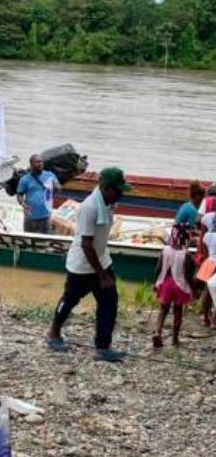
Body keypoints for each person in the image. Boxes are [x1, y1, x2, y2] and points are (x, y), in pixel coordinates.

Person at [46, 167, 131, 362]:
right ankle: (53, 333)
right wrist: (102, 275)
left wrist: (103, 270)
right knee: (70, 300)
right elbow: (86, 244)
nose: (121, 194)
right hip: (82, 265)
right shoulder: (90, 207)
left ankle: (103, 347)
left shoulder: (107, 203)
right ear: (107, 188)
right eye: (118, 190)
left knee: (109, 301)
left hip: (101, 259)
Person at [152, 224, 195, 347]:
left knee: (163, 310)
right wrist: (193, 289)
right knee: (178, 312)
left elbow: (158, 269)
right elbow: (188, 276)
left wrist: (155, 282)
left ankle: (157, 332)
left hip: (166, 284)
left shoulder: (165, 250)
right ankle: (175, 339)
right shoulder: (186, 255)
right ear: (186, 238)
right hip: (180, 287)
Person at [16, 154, 61, 233]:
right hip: (30, 216)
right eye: (37, 162)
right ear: (31, 164)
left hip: (46, 215)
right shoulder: (25, 179)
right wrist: (23, 205)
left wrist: (56, 186)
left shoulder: (49, 175)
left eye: (41, 161)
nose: (40, 163)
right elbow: (19, 194)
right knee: (29, 238)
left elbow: (58, 189)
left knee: (45, 239)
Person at [196, 211, 216, 327]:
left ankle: (205, 317)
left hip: (210, 262)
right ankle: (214, 320)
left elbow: (206, 252)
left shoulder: (207, 236)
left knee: (206, 291)